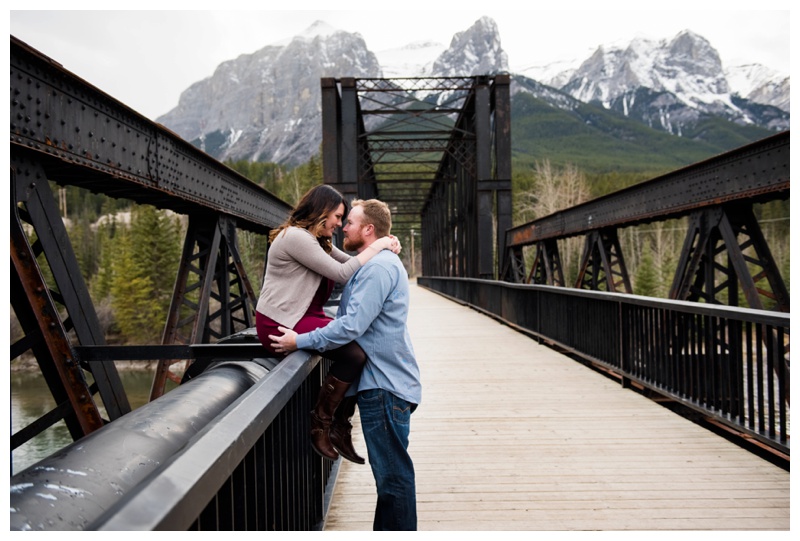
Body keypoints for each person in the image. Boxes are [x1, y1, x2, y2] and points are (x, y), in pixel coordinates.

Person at [270, 199, 422, 531]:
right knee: (391, 480)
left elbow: (351, 326)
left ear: (369, 229)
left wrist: (300, 341)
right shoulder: (372, 263)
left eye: (349, 221)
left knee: (393, 480)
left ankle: (327, 421)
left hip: (384, 388)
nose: (343, 227)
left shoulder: (378, 269)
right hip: (389, 384)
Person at [255, 184, 399, 463]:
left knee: (359, 347)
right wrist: (380, 244)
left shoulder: (318, 242)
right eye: (337, 216)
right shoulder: (296, 238)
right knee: (354, 354)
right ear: (322, 211)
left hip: (305, 316)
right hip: (280, 323)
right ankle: (323, 424)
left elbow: (359, 267)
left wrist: (385, 246)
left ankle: (338, 425)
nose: (339, 224)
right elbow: (344, 273)